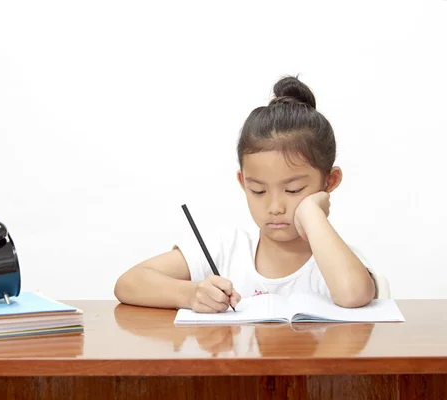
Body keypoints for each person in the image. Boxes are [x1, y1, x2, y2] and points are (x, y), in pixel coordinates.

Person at [114, 76, 376, 312]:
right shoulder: (227, 248)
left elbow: (353, 295)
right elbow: (129, 283)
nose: (274, 206)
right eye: (258, 190)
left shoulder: (337, 258)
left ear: (330, 181)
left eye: (293, 190)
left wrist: (312, 215)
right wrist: (191, 293)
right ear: (242, 181)